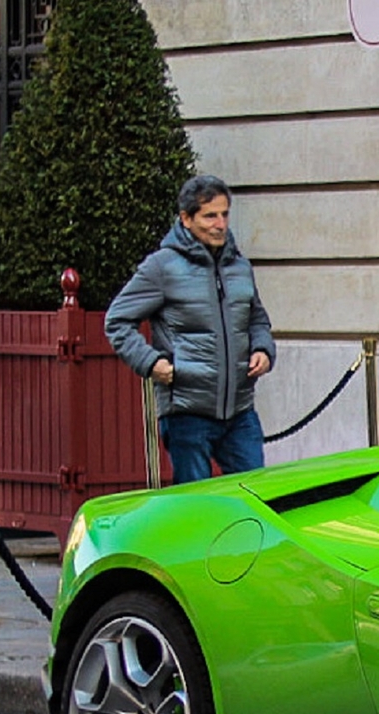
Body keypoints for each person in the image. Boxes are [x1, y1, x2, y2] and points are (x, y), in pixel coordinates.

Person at [105, 173, 277, 484]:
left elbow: (257, 319)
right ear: (186, 218)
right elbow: (117, 320)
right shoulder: (162, 267)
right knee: (196, 505)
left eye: (224, 214)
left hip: (240, 410)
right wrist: (150, 362)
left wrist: (263, 349)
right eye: (210, 216)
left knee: (257, 494)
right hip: (186, 411)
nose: (220, 224)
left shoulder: (239, 266)